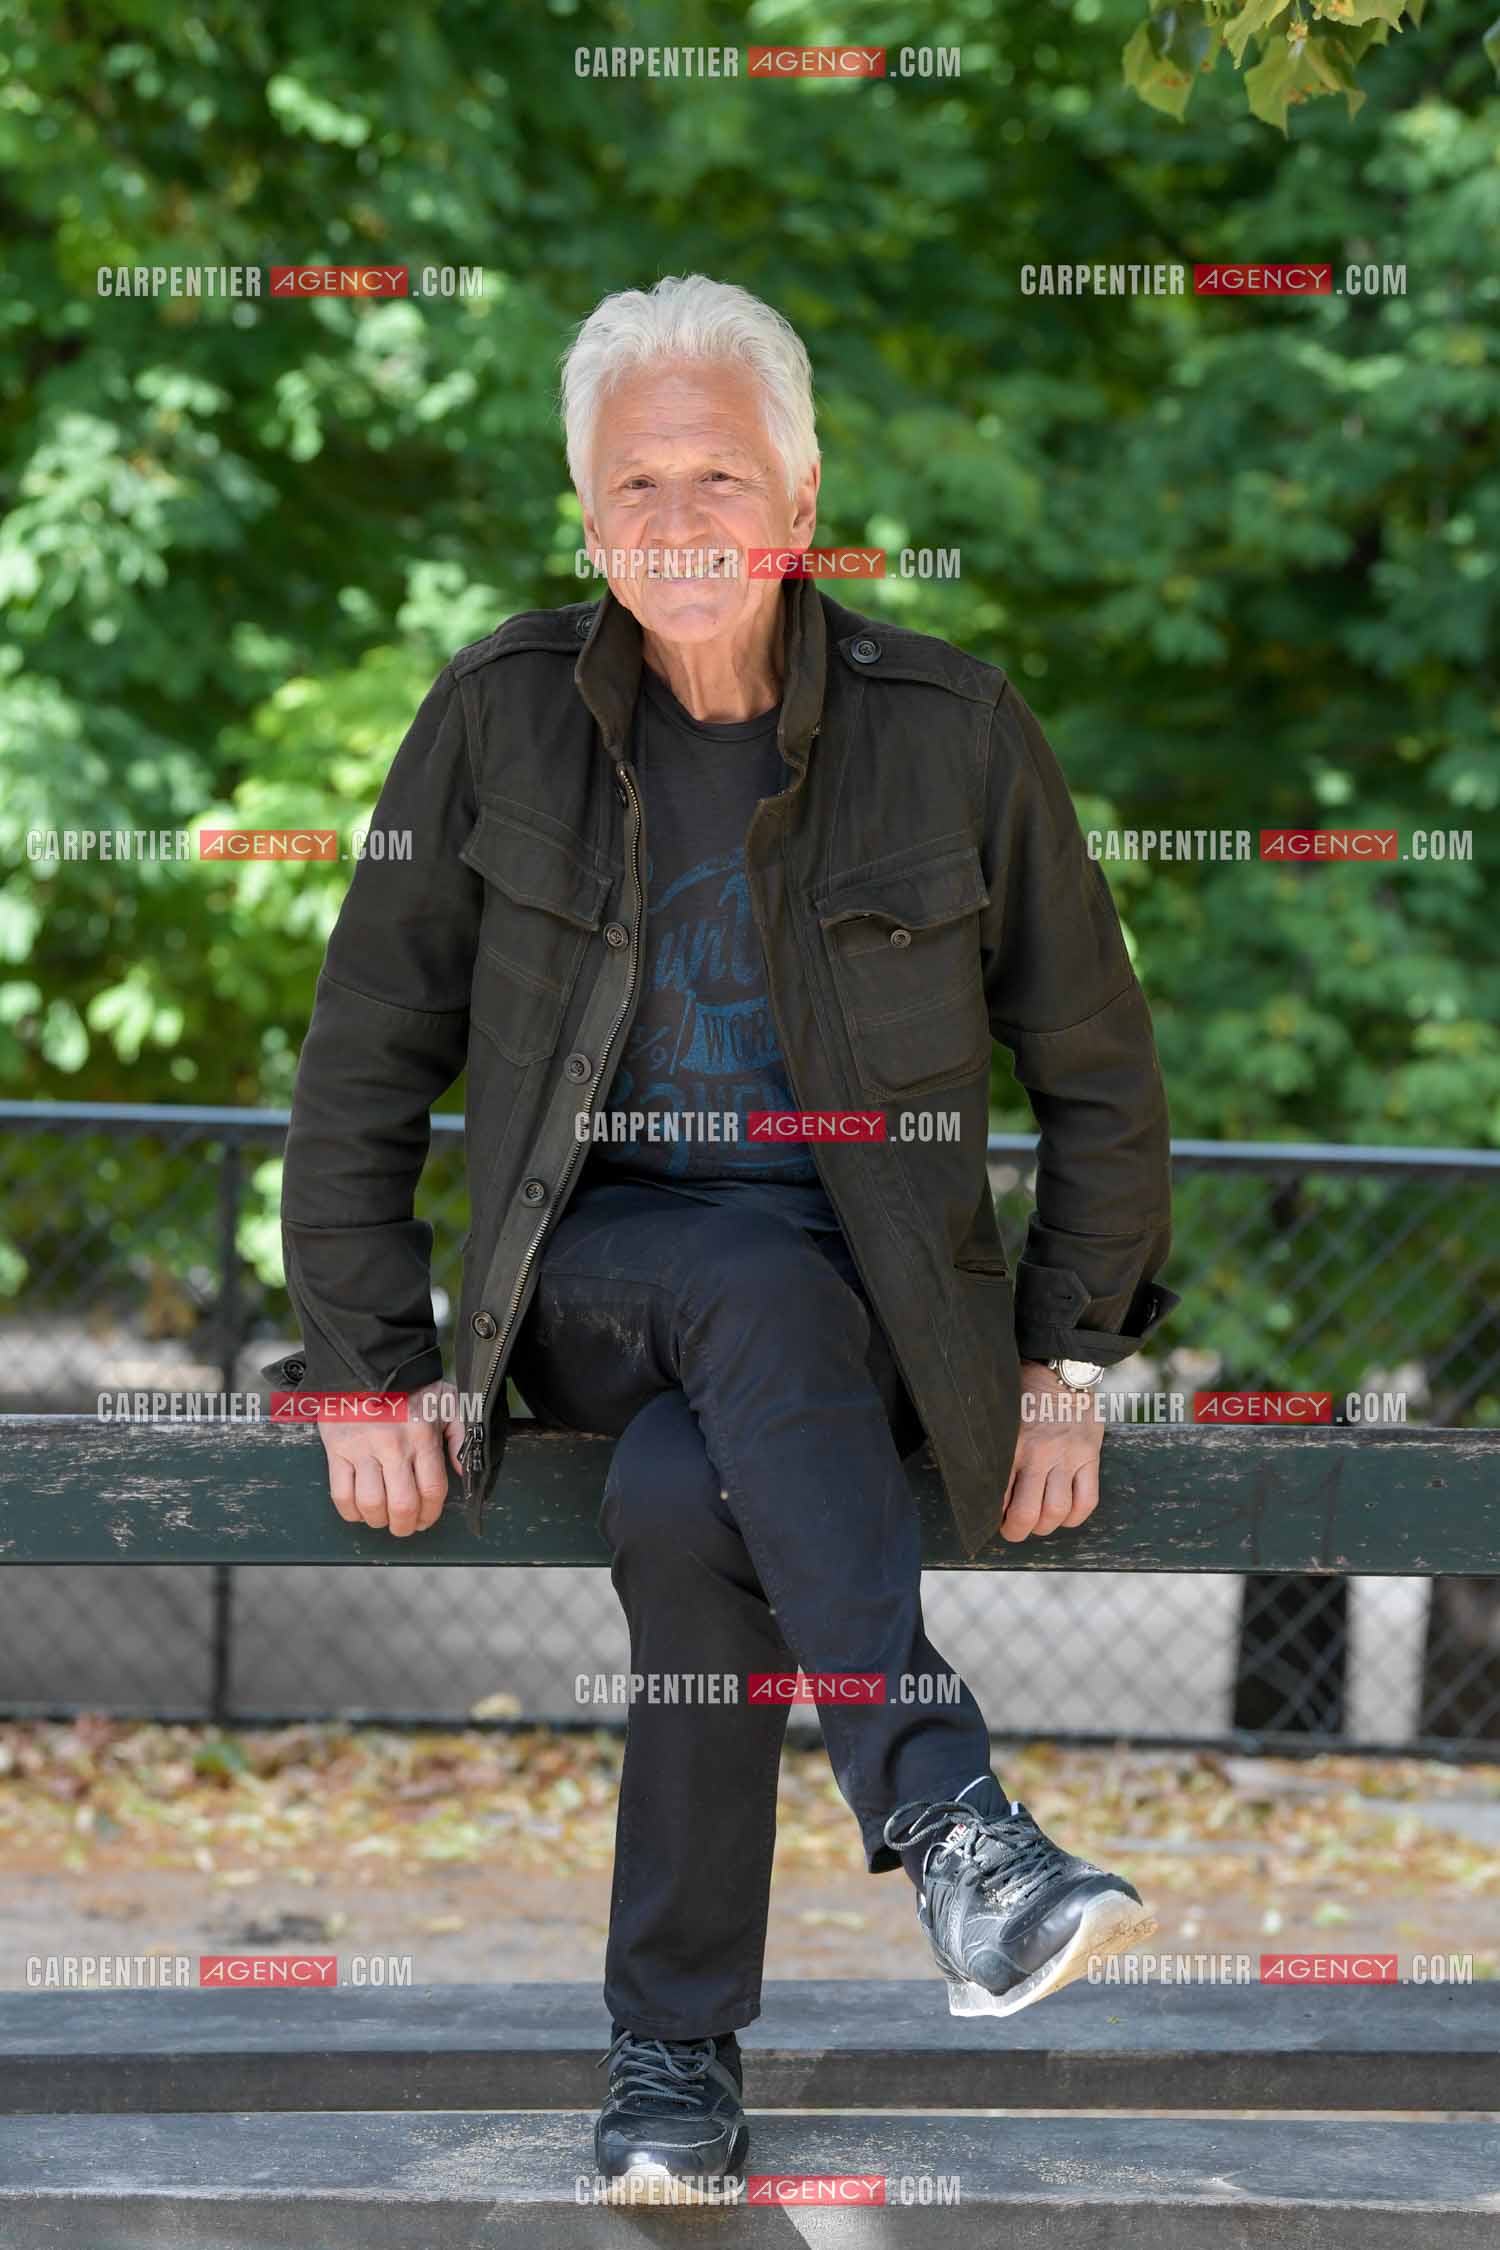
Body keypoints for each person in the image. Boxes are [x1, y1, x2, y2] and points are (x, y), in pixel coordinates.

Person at [264, 274, 1180, 2201]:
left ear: (806, 489)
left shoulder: (953, 730)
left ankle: (671, 2061)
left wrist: (1070, 1347)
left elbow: (1097, 1061)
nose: (681, 520)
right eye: (637, 482)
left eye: (722, 473)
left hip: (855, 1322)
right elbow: (363, 1058)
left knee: (692, 1505)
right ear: (586, 511)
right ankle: (950, 1820)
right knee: (729, 1285)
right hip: (587, 1274)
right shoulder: (496, 718)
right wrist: (366, 1362)